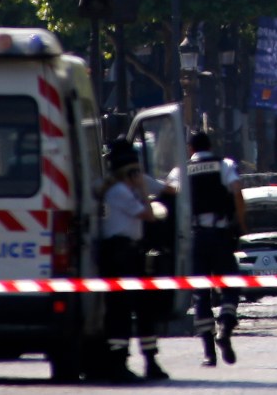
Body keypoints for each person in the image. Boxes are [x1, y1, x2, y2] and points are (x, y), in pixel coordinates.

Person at [99, 138, 170, 382]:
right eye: (135, 171)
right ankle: (117, 364)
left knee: (144, 307)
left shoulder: (120, 188)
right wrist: (142, 190)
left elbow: (167, 193)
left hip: (130, 253)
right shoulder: (120, 191)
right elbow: (149, 215)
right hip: (120, 254)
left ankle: (150, 361)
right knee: (120, 309)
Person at [185, 131, 247, 367]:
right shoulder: (224, 165)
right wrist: (241, 223)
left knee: (200, 295)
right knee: (231, 286)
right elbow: (237, 192)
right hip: (220, 236)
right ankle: (225, 327)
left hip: (196, 237)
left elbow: (171, 195)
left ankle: (208, 353)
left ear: (190, 148)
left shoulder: (182, 169)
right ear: (211, 146)